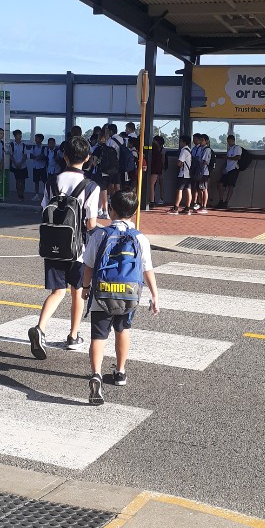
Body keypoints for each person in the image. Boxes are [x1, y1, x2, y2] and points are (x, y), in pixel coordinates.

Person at [82, 189, 159, 405]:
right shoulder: (140, 238)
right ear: (134, 213)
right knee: (122, 330)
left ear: (110, 210)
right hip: (128, 294)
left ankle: (96, 374)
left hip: (102, 292)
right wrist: (155, 295)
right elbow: (147, 269)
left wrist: (85, 288)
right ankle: (120, 371)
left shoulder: (99, 235)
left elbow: (88, 266)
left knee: (98, 336)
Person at [28, 136, 99, 359]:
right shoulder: (91, 186)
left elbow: (44, 210)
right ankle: (73, 336)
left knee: (57, 291)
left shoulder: (52, 182)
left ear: (64, 156)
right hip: (78, 250)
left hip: (52, 245)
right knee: (78, 292)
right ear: (87, 158)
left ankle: (40, 328)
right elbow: (91, 223)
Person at [168, 134, 193, 215]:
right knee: (188, 190)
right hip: (188, 174)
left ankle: (175, 208)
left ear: (184, 142)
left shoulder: (184, 151)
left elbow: (179, 163)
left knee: (179, 190)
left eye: (181, 141)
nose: (180, 143)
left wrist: (179, 163)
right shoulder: (189, 150)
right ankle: (187, 208)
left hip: (183, 173)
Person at [216, 134, 243, 208]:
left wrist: (228, 158)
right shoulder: (230, 149)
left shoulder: (237, 148)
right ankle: (221, 200)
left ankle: (226, 202)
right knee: (220, 184)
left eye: (230, 141)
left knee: (231, 186)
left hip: (234, 169)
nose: (229, 143)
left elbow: (238, 157)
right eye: (228, 142)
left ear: (233, 140)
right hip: (228, 169)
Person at [191, 134, 211, 213]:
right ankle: (200, 204)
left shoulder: (207, 150)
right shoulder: (201, 149)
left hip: (204, 172)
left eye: (202, 140)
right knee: (199, 189)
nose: (201, 142)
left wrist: (197, 162)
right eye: (200, 140)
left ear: (206, 141)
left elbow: (205, 161)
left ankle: (204, 206)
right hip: (200, 171)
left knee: (204, 189)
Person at [8, 129, 28, 201]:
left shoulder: (23, 145)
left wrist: (20, 163)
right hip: (15, 166)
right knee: (18, 180)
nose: (20, 136)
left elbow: (25, 156)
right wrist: (15, 163)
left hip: (23, 166)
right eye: (18, 135)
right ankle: (19, 195)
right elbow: (10, 156)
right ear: (15, 136)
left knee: (23, 181)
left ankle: (22, 194)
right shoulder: (12, 145)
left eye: (20, 135)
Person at [30, 133, 49, 202]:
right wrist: (37, 157)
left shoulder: (44, 148)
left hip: (42, 167)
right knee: (36, 181)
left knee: (45, 181)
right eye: (35, 138)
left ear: (41, 140)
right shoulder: (33, 147)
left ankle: (45, 195)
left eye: (37, 138)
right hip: (35, 166)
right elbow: (31, 155)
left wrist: (38, 157)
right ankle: (37, 194)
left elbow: (44, 156)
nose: (35, 140)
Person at [149, 134, 165, 208]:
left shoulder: (153, 148)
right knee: (154, 184)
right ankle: (155, 199)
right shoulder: (158, 149)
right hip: (158, 168)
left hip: (155, 168)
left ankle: (152, 201)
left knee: (151, 184)